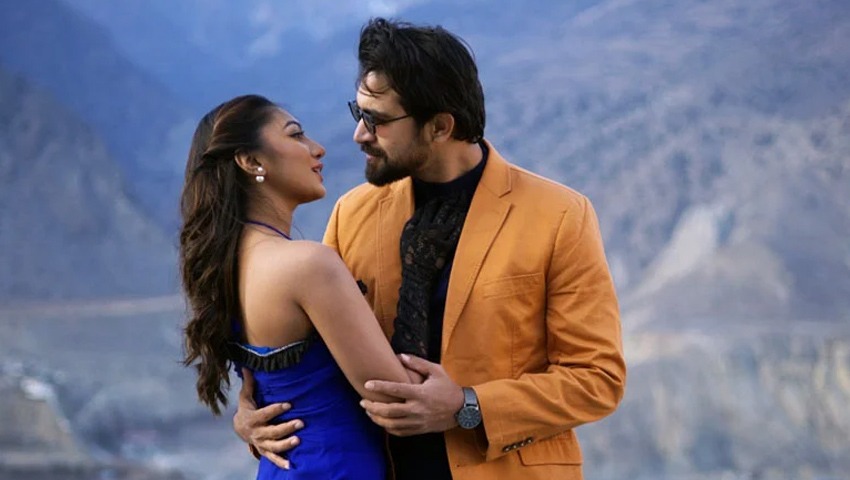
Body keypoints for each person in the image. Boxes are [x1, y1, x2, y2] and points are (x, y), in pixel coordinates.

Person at [234, 18, 626, 480]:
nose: (359, 134)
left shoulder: (559, 215)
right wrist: (251, 413)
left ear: (440, 126)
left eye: (378, 120)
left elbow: (597, 378)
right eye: (358, 112)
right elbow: (318, 350)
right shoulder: (351, 214)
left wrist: (467, 406)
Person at [179, 94, 421, 479]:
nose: (317, 148)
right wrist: (472, 401)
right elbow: (394, 397)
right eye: (296, 135)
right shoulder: (308, 265)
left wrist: (245, 417)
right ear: (251, 161)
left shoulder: (223, 268)